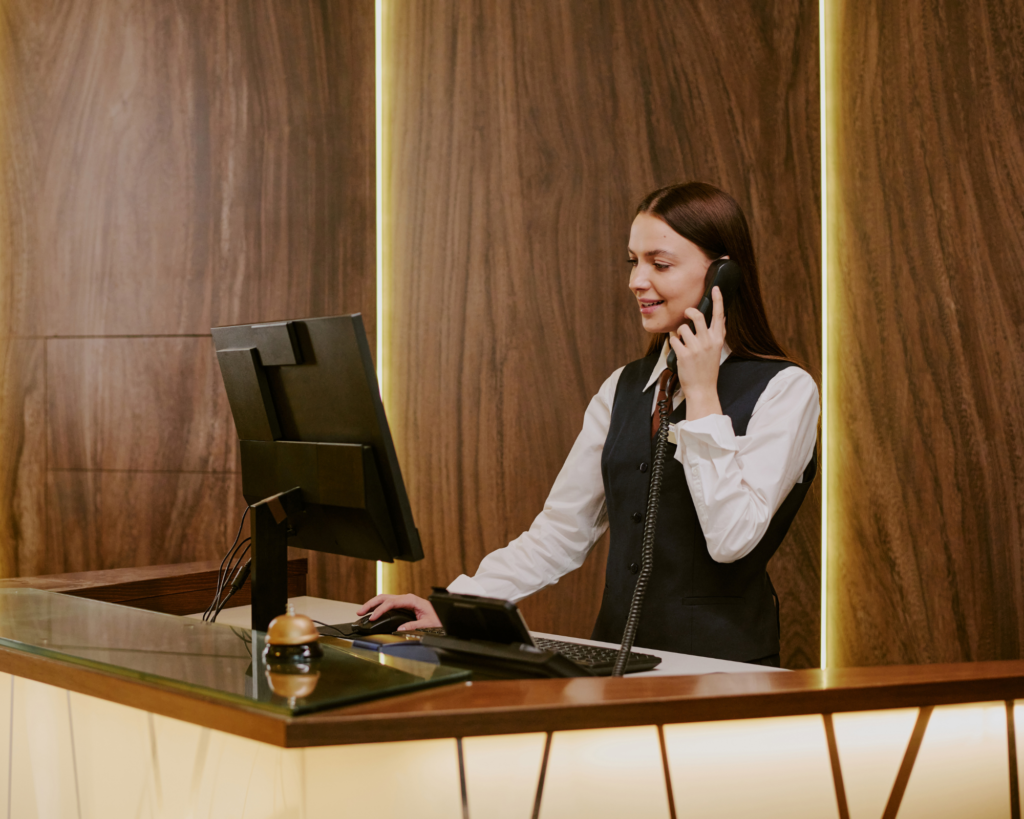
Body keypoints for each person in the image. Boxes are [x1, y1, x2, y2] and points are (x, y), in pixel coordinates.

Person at [358, 182, 819, 666]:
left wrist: (702, 394)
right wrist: (452, 606)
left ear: (724, 274)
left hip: (721, 671)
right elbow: (561, 532)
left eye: (659, 265)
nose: (637, 281)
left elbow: (731, 540)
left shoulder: (786, 390)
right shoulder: (623, 388)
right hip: (616, 661)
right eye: (633, 262)